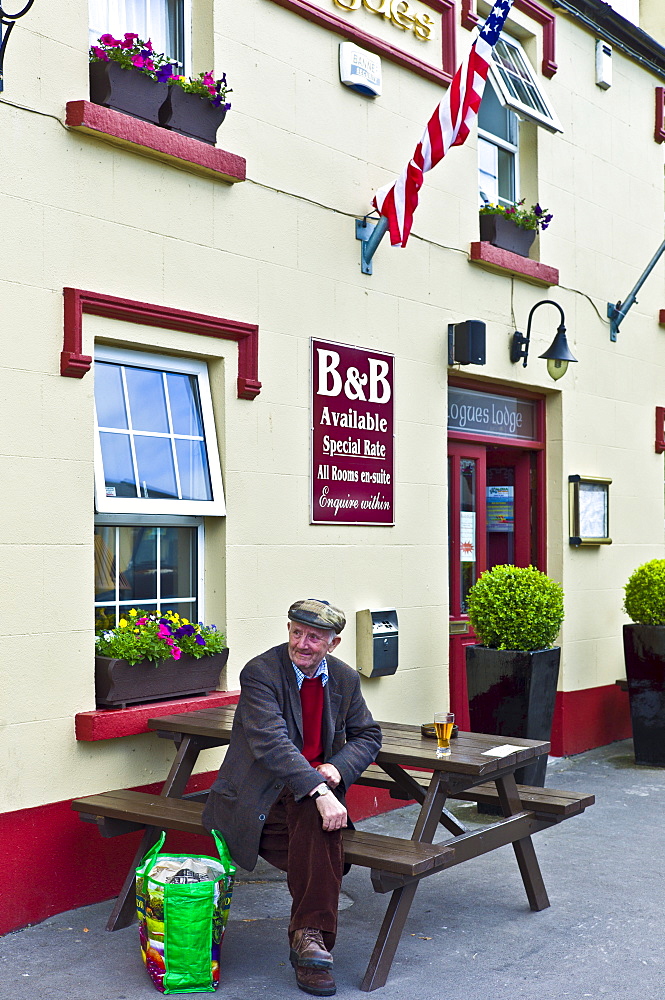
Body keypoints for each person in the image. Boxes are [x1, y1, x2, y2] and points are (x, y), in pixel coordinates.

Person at [202, 599, 382, 997]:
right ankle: (311, 944)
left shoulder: (345, 679)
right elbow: (272, 744)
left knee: (318, 826)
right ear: (288, 630)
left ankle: (309, 940)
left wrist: (338, 768)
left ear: (332, 644)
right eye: (297, 632)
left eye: (314, 637)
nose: (302, 643)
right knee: (324, 833)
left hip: (310, 796)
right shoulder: (262, 673)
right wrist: (320, 790)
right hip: (256, 796)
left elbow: (369, 735)